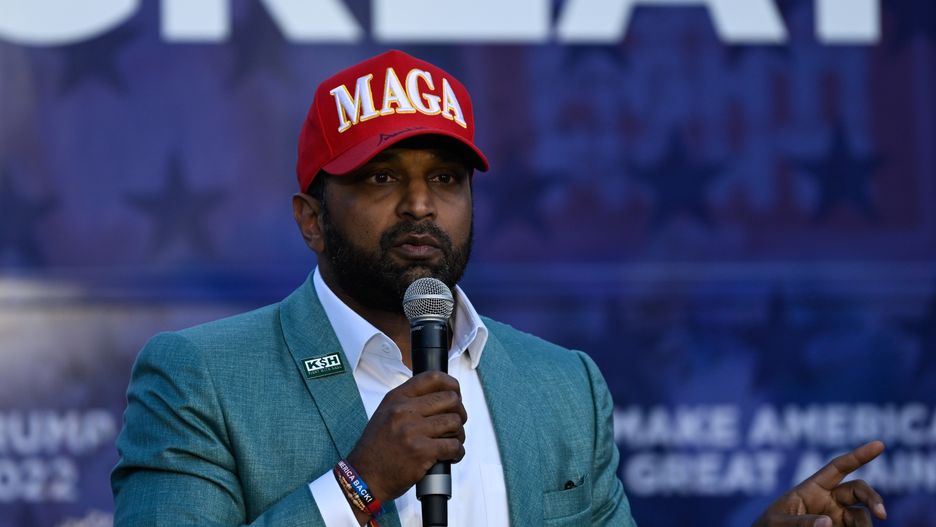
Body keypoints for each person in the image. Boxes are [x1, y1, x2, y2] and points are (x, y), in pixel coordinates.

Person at [111, 50, 887, 527]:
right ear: (311, 219)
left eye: (447, 178)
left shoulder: (561, 384)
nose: (421, 205)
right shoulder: (201, 376)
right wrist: (358, 483)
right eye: (381, 178)